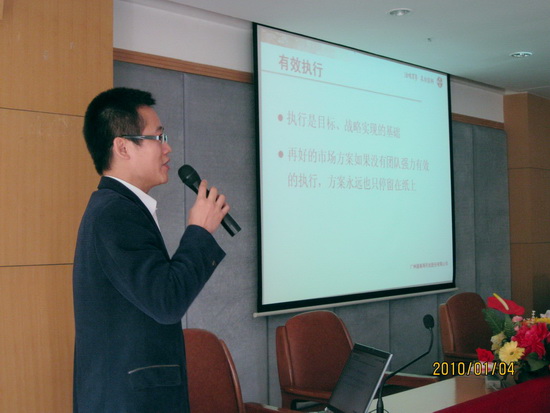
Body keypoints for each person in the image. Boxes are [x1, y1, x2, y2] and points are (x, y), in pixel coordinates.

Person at [73, 87, 229, 412]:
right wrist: (199, 232)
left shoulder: (117, 207)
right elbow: (165, 301)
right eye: (158, 137)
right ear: (123, 147)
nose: (168, 148)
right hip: (131, 402)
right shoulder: (116, 212)